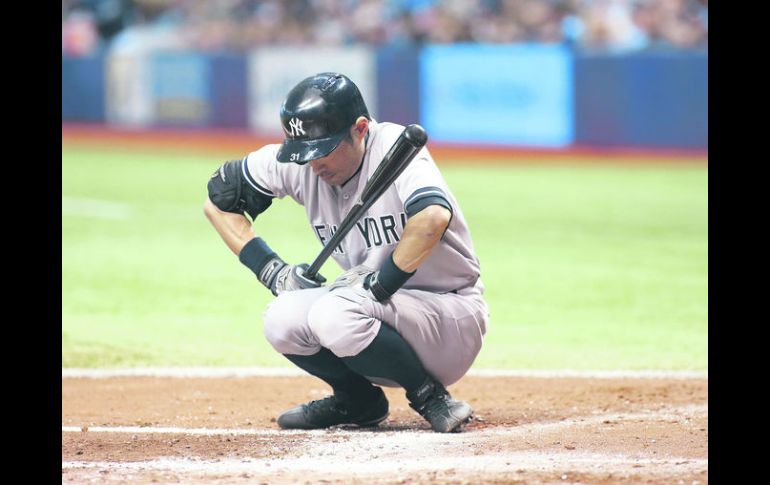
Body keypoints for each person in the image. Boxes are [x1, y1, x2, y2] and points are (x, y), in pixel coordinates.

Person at [204, 72, 489, 433]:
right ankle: (358, 401)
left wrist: (379, 286)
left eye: (323, 150)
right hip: (372, 315)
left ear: (359, 129)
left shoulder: (394, 150)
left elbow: (432, 217)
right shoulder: (304, 164)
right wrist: (271, 271)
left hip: (449, 317)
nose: (313, 164)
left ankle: (431, 397)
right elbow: (218, 202)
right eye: (303, 153)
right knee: (281, 317)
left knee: (335, 311)